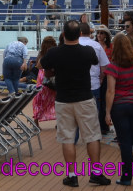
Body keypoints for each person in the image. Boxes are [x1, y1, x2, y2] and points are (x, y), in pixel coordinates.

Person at [39, 20, 110, 187]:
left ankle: (72, 175)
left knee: (68, 138)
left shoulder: (55, 52)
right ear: (80, 34)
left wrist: (52, 70)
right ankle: (96, 173)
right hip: (85, 98)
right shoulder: (88, 51)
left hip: (63, 100)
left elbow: (42, 66)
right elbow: (95, 62)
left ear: (63, 34)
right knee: (92, 136)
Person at [104, 33, 133, 185]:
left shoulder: (112, 67)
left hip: (119, 106)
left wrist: (107, 112)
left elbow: (111, 91)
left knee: (125, 142)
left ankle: (126, 177)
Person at [79, 22, 111, 135]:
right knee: (93, 113)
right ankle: (93, 134)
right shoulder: (96, 46)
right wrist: (101, 78)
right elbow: (104, 66)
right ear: (90, 33)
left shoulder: (73, 44)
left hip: (77, 86)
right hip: (94, 84)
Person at [34, 36, 58, 125]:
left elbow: (37, 65)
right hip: (52, 76)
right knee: (56, 99)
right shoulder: (55, 52)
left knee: (40, 100)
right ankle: (58, 123)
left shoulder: (41, 54)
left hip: (42, 78)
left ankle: (36, 121)